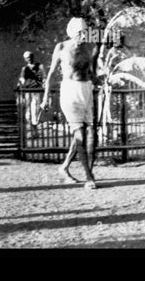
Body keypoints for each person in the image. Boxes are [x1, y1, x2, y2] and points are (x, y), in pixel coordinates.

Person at [41, 18, 98, 189]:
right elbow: (50, 74)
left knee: (90, 135)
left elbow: (92, 73)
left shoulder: (91, 48)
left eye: (84, 32)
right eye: (79, 33)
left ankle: (65, 167)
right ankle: (89, 178)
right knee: (80, 134)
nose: (82, 36)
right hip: (69, 92)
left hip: (86, 91)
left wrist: (102, 80)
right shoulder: (61, 47)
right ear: (72, 33)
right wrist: (45, 97)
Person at [18, 51, 45, 132]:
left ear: (32, 57)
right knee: (28, 111)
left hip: (36, 90)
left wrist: (44, 83)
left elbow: (44, 77)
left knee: (35, 109)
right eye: (26, 58)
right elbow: (22, 78)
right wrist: (21, 84)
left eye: (30, 57)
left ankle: (34, 128)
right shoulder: (25, 69)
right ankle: (31, 130)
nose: (28, 59)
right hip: (27, 91)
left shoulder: (39, 66)